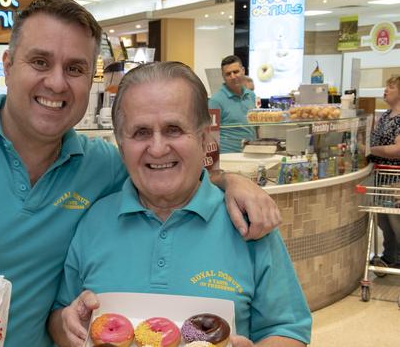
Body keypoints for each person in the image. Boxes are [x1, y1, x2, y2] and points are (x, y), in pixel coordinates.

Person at [0, 0, 281, 347]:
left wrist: (231, 181)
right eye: (40, 62)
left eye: (76, 68)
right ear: (7, 66)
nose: (57, 82)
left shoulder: (101, 164)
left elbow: (164, 168)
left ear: (90, 83)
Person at [49, 62, 311, 347]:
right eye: (140, 132)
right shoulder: (93, 221)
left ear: (203, 137)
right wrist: (66, 325)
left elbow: (288, 329)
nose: (158, 148)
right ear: (121, 145)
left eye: (173, 130)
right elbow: (60, 317)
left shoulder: (248, 224)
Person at [369, 75, 400, 268]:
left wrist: (371, 150)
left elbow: (397, 150)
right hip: (381, 177)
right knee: (383, 220)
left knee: (395, 220)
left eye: (391, 87)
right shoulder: (386, 116)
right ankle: (390, 256)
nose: (385, 90)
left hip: (396, 177)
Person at [209, 55, 257, 153]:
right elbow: (210, 136)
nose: (233, 77)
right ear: (223, 76)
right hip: (227, 158)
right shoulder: (215, 101)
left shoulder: (251, 95)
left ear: (243, 70)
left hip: (251, 153)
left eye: (236, 72)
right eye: (228, 74)